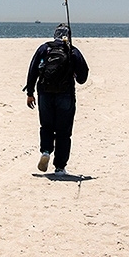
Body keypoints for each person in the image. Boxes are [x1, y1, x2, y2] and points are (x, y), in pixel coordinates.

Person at [23, 24, 89, 175]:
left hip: (45, 94)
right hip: (66, 95)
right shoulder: (72, 51)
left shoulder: (44, 49)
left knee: (46, 125)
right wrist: (74, 74)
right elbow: (83, 77)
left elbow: (33, 69)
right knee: (64, 131)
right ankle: (59, 167)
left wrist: (30, 92)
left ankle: (46, 151)